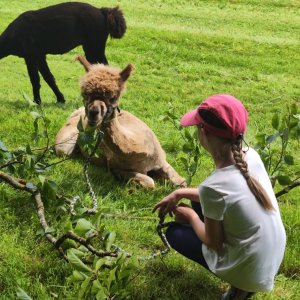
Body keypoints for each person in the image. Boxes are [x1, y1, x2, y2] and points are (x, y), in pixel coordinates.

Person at [153, 94, 286, 300]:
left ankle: (240, 287)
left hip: (250, 270)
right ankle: (244, 282)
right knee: (199, 205)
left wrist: (189, 216)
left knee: (175, 233)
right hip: (269, 260)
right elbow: (222, 196)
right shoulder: (251, 157)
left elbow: (213, 242)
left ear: (204, 133)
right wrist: (179, 192)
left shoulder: (213, 187)